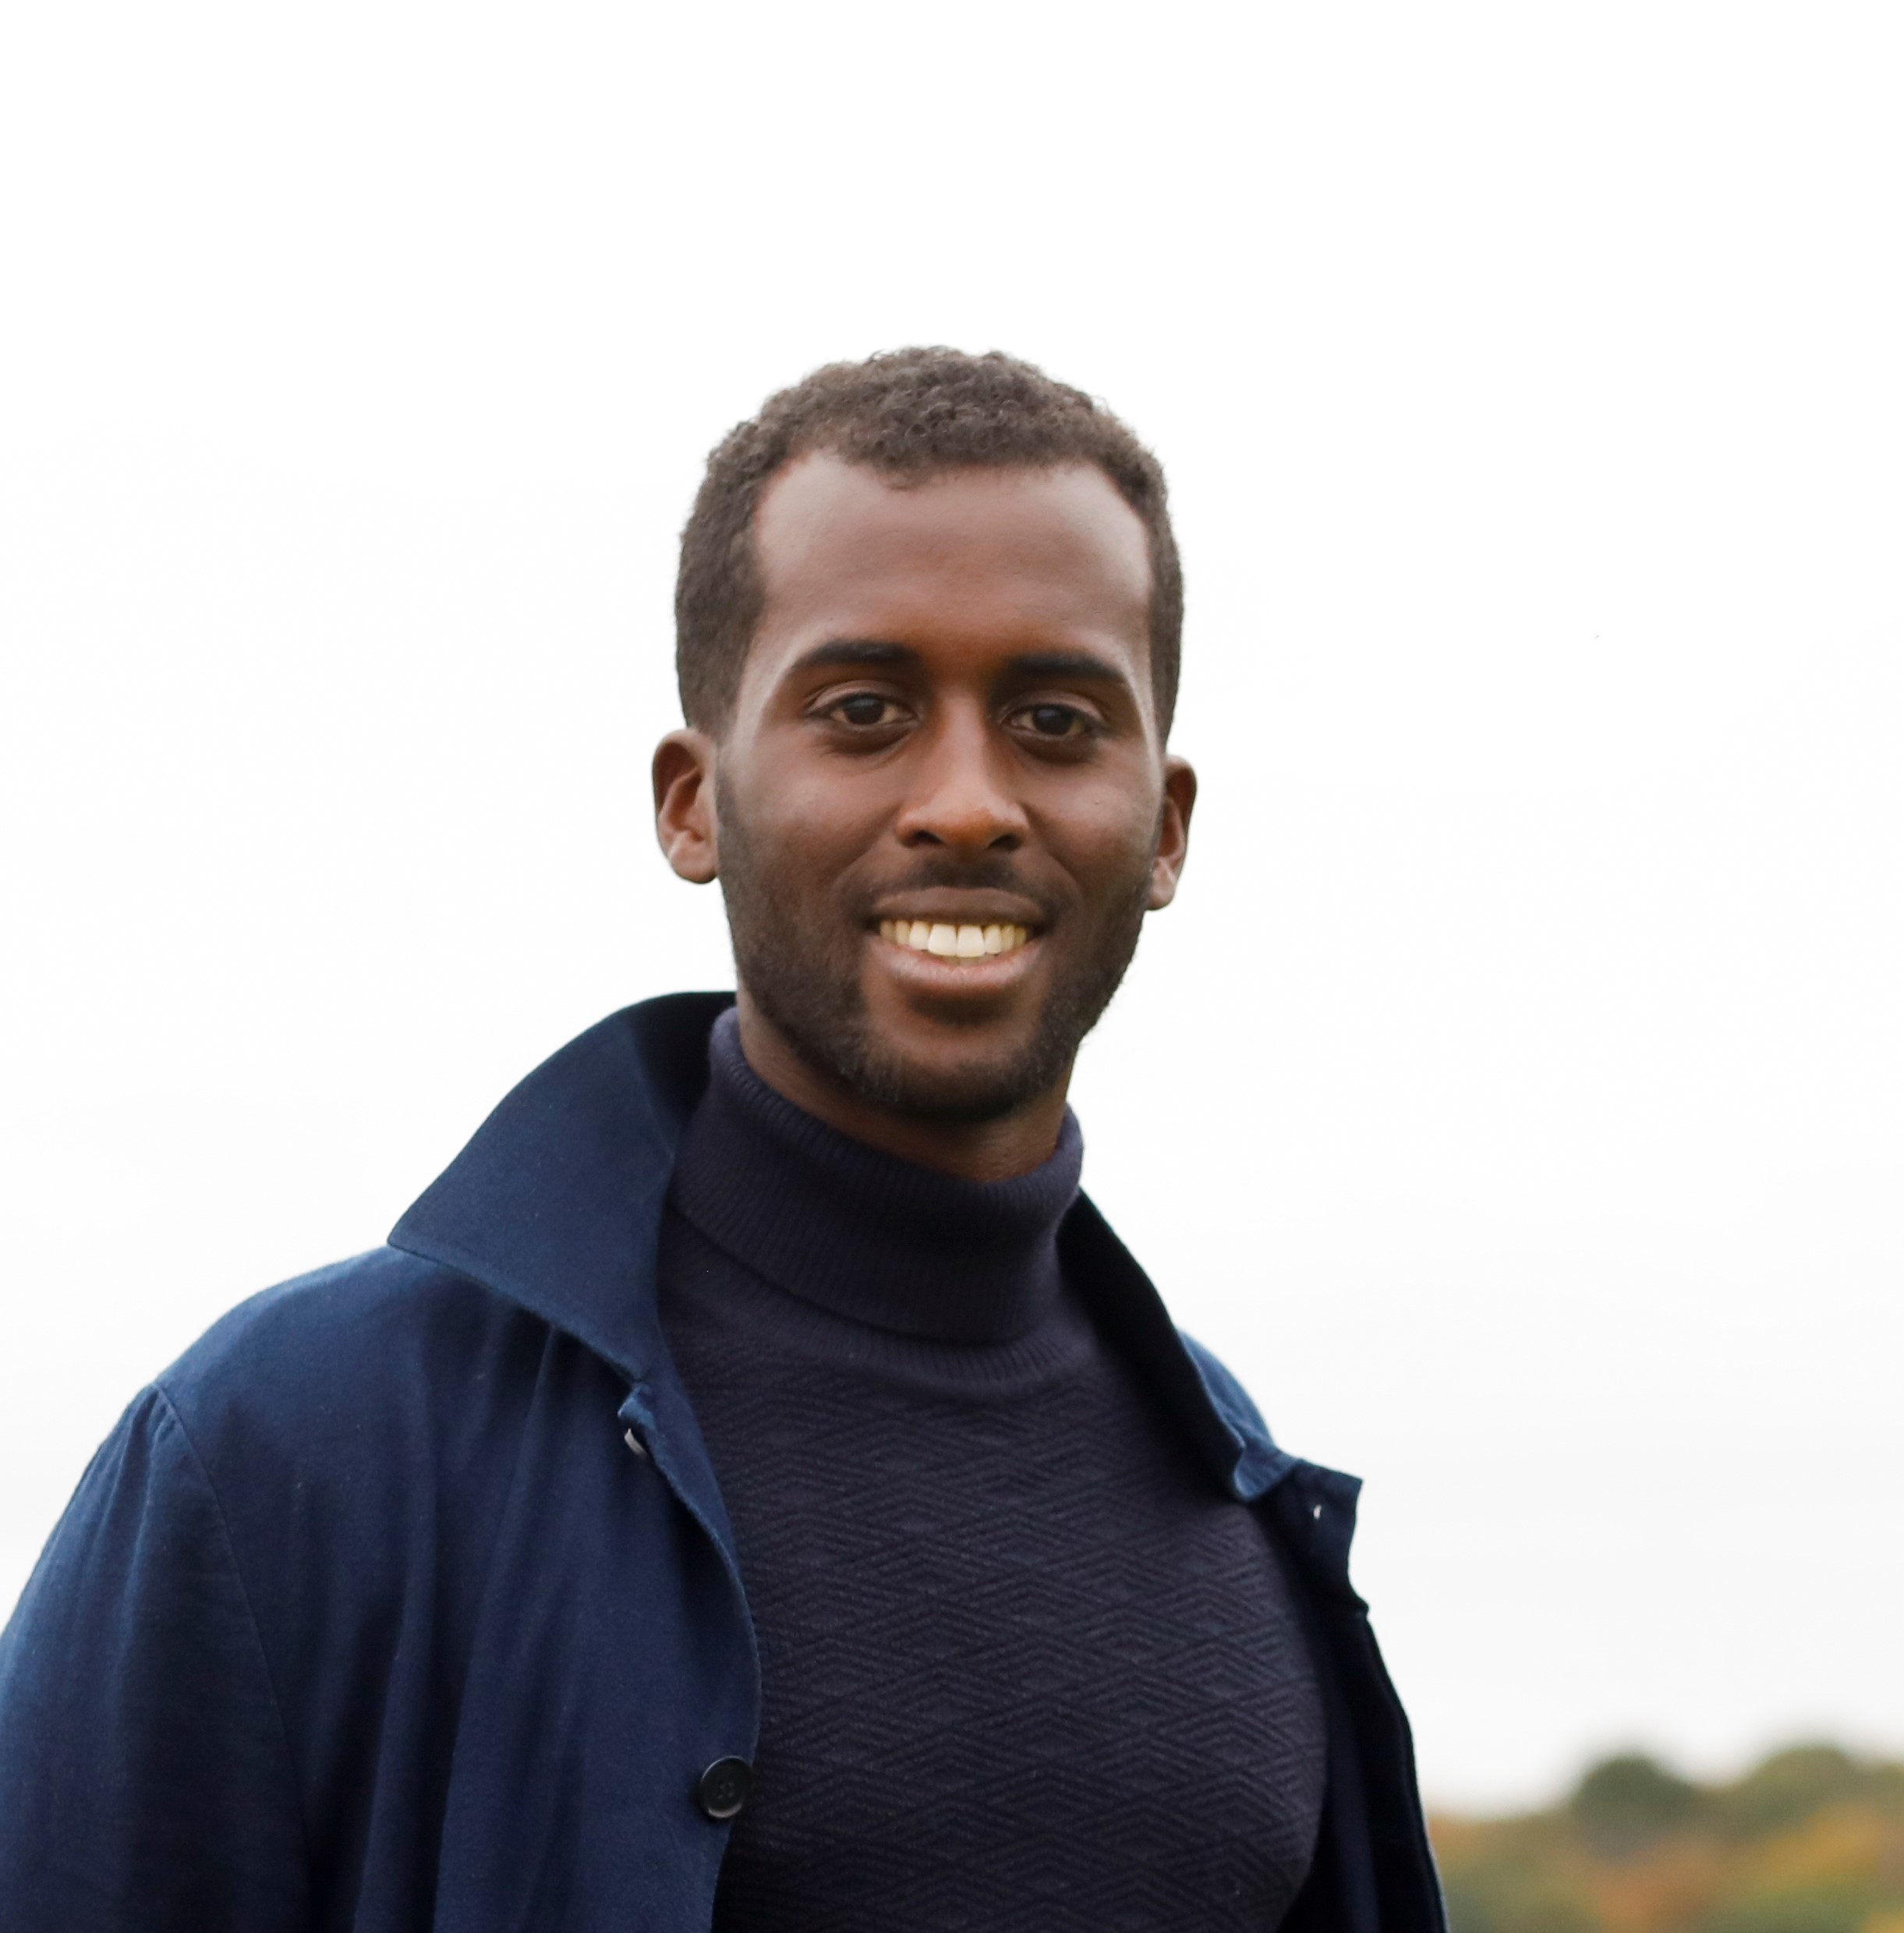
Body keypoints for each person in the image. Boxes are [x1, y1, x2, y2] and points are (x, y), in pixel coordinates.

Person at [0, 348, 1443, 1932]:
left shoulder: (1247, 1520)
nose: (967, 802)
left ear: (1162, 825)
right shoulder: (291, 1447)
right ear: (696, 800)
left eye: (1052, 717)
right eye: (865, 711)